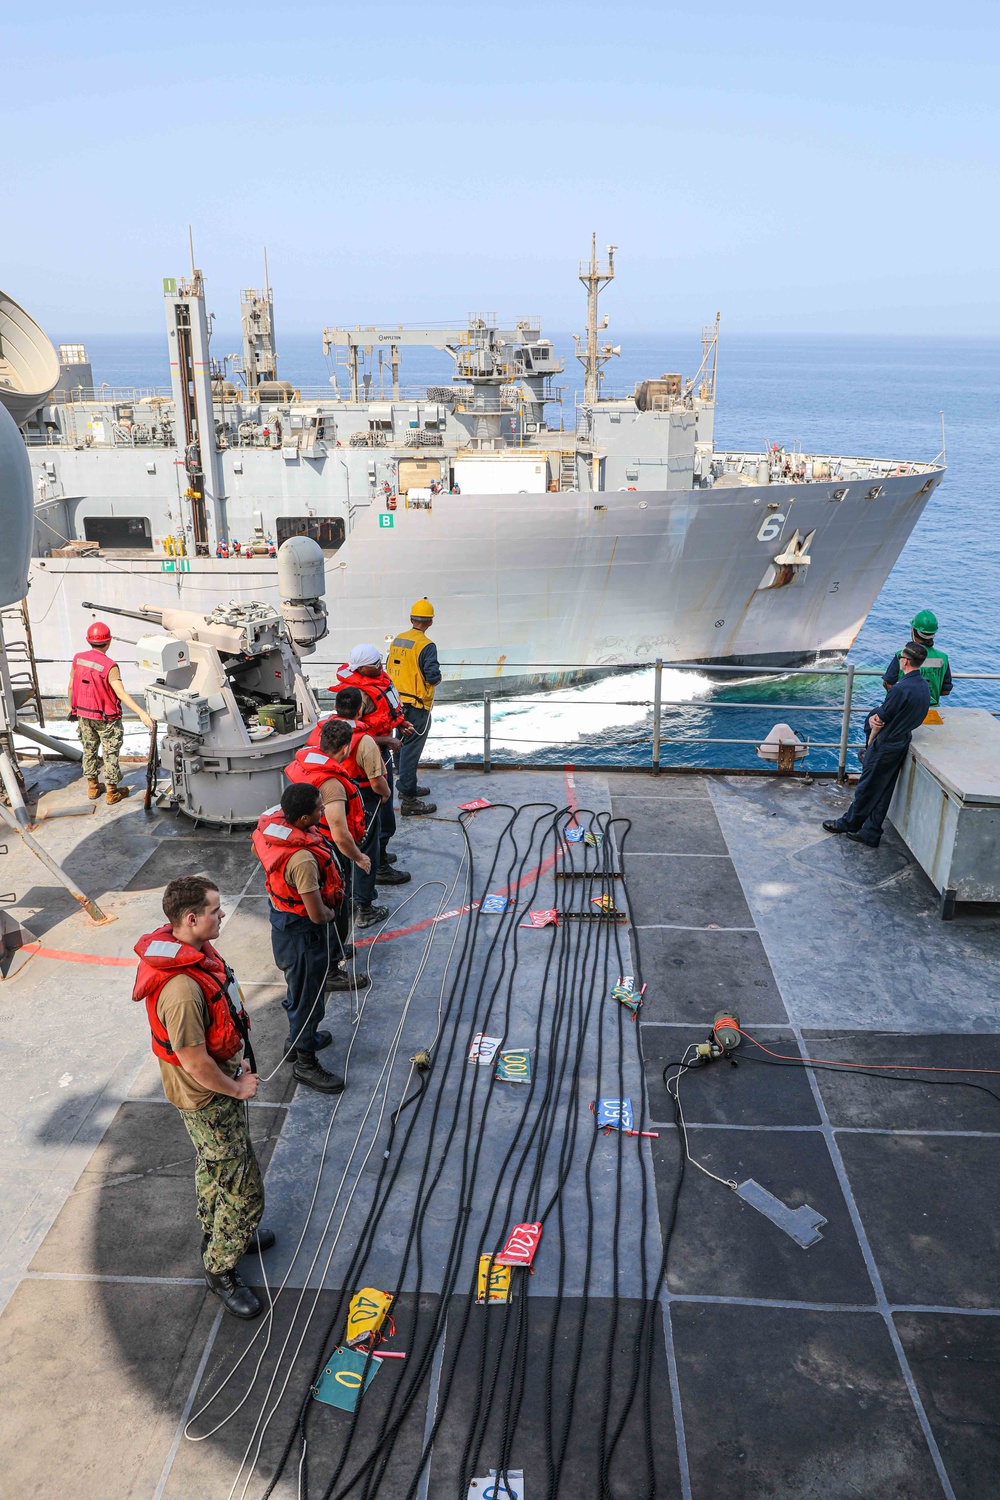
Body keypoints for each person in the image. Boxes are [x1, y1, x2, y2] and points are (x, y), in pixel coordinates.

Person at [132, 875, 270, 1320]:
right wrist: (236, 1086)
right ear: (190, 919)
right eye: (215, 909)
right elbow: (193, 1059)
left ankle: (225, 1232)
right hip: (207, 1099)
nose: (222, 914)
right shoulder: (182, 990)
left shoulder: (195, 959)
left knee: (216, 1168)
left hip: (216, 1087)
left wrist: (236, 1066)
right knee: (245, 1191)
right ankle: (220, 1267)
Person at [253, 782, 357, 1093]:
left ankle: (300, 1040)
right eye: (319, 809)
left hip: (284, 924)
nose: (324, 811)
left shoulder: (277, 833)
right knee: (307, 999)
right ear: (302, 820)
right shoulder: (302, 861)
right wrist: (331, 915)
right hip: (303, 934)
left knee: (299, 991)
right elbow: (316, 913)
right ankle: (305, 1063)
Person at [287, 716, 396, 930]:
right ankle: (361, 912)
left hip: (313, 835)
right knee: (339, 885)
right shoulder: (333, 785)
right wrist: (359, 857)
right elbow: (339, 832)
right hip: (331, 844)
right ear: (346, 749)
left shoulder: (304, 764)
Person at [824, 642, 931, 848]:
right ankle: (871, 832)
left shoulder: (901, 689)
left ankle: (848, 823)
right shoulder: (923, 686)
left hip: (887, 743)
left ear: (905, 661)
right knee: (883, 789)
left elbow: (880, 719)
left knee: (867, 787)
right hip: (901, 741)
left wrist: (872, 737)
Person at [334, 642, 412, 855]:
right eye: (374, 664)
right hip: (368, 759)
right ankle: (379, 865)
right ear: (360, 669)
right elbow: (353, 735)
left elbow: (383, 713)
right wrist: (388, 740)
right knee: (379, 813)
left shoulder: (375, 682)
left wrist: (399, 723)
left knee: (382, 815)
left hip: (378, 751)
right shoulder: (359, 695)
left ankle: (381, 854)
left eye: (379, 661)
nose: (380, 666)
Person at [69, 620, 154, 805]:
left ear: (88, 640)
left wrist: (72, 707)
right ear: (108, 642)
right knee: (110, 754)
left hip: (84, 715)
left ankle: (92, 787)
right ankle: (111, 792)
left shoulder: (78, 658)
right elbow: (120, 693)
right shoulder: (110, 666)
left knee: (89, 750)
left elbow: (71, 686)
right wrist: (142, 713)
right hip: (106, 719)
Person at [387, 599, 442, 817]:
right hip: (417, 705)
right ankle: (409, 800)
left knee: (400, 744)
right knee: (411, 748)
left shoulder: (399, 640)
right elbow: (432, 676)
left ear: (411, 619)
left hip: (396, 704)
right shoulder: (426, 646)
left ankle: (403, 786)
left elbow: (390, 665)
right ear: (430, 622)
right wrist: (436, 680)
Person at [881, 609, 952, 705]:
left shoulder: (902, 655)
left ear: (914, 631)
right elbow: (945, 691)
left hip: (904, 710)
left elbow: (887, 683)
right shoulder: (943, 658)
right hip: (931, 710)